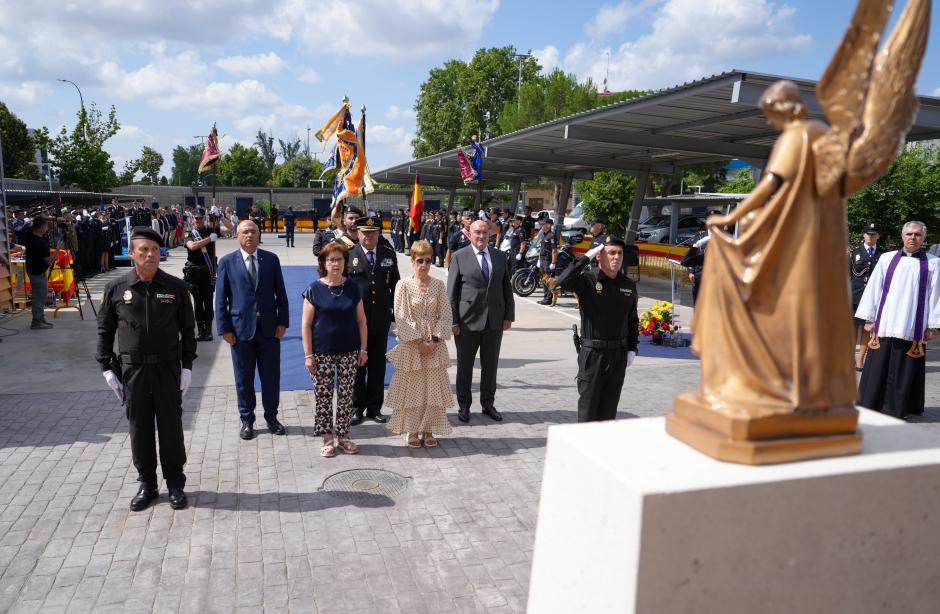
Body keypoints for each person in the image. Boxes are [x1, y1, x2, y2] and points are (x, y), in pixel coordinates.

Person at [96, 226, 196, 511]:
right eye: (144, 250)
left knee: (171, 427)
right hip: (133, 371)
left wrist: (187, 366)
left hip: (167, 368)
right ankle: (147, 485)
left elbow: (188, 330)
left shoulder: (175, 287)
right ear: (132, 253)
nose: (150, 254)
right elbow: (104, 330)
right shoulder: (116, 289)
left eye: (154, 250)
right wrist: (106, 367)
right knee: (139, 428)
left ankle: (175, 483)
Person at [856, 221, 940, 419]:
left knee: (905, 367)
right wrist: (869, 317)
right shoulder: (886, 259)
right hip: (885, 322)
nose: (913, 237)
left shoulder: (933, 263)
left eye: (917, 235)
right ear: (902, 236)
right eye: (909, 234)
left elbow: (936, 295)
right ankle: (871, 403)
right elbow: (874, 287)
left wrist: (933, 325)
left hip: (912, 325)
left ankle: (900, 407)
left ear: (923, 238)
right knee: (878, 364)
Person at [215, 220, 290, 440]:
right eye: (245, 232)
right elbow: (221, 299)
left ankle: (272, 417)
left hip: (269, 330)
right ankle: (247, 420)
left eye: (253, 232)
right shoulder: (227, 262)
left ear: (259, 235)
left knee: (271, 378)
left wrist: (282, 323)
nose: (249, 235)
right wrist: (224, 328)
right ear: (237, 235)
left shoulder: (271, 260)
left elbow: (281, 295)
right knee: (244, 379)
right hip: (240, 332)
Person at [556, 235, 639, 422]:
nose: (616, 257)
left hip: (618, 355)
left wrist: (632, 348)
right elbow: (561, 281)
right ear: (599, 256)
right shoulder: (587, 280)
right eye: (611, 253)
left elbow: (632, 321)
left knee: (609, 411)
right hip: (593, 354)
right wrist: (585, 258)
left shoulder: (628, 285)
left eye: (619, 253)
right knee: (588, 410)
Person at [301, 242, 368, 457]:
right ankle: (327, 438)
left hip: (349, 351)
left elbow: (361, 321)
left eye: (339, 259)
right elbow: (306, 325)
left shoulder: (352, 288)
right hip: (322, 353)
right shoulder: (314, 289)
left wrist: (363, 349)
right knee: (323, 395)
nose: (336, 264)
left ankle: (344, 436)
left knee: (347, 395)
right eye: (331, 260)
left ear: (345, 263)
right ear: (323, 263)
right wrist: (309, 355)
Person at [386, 241, 455, 447]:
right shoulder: (403, 285)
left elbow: (446, 315)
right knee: (413, 389)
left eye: (427, 260)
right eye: (419, 261)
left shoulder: (438, 285)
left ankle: (429, 429)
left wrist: (433, 340)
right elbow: (401, 316)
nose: (424, 265)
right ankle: (412, 430)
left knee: (432, 389)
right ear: (412, 261)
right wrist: (418, 342)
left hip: (434, 344)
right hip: (411, 345)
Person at [447, 219, 515, 423]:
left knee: (490, 366)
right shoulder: (459, 256)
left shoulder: (499, 256)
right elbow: (451, 293)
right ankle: (464, 406)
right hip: (467, 323)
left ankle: (488, 404)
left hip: (494, 322)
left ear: (490, 235)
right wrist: (453, 321)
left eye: (485, 233)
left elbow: (506, 288)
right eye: (477, 232)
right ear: (470, 233)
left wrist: (509, 315)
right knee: (465, 367)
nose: (481, 236)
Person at [346, 214, 401, 425]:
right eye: (365, 233)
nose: (369, 237)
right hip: (355, 321)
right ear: (358, 233)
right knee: (358, 366)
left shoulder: (388, 254)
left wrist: (395, 316)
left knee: (378, 366)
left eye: (373, 233)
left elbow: (395, 285)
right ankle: (356, 408)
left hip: (380, 320)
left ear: (379, 234)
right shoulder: (349, 254)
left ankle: (375, 408)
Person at [184, 209, 223, 342]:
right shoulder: (189, 233)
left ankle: (208, 330)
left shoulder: (211, 230)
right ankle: (200, 331)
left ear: (204, 219)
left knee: (208, 301)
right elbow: (193, 246)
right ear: (193, 219)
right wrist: (209, 239)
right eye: (196, 218)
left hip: (207, 272)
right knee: (198, 303)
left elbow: (229, 229)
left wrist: (220, 217)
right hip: (194, 273)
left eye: (201, 218)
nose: (198, 220)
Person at [850, 223, 882, 370]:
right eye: (868, 233)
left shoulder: (883, 255)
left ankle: (860, 360)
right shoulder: (853, 253)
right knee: (851, 328)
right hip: (854, 297)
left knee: (866, 330)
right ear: (863, 235)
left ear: (878, 236)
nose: (871, 236)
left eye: (874, 234)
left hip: (871, 298)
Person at [24, 215, 56, 329]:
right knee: (39, 296)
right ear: (41, 227)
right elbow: (48, 261)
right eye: (46, 225)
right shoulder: (38, 241)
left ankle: (40, 318)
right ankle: (37, 321)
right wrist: (57, 252)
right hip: (37, 272)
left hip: (34, 270)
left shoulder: (30, 236)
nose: (47, 228)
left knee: (41, 295)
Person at [537, 218, 558, 305]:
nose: (541, 225)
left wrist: (553, 262)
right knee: (543, 279)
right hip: (542, 259)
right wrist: (539, 259)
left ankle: (549, 298)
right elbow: (541, 248)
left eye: (543, 224)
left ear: (548, 225)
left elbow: (554, 250)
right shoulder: (543, 234)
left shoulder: (551, 235)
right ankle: (545, 297)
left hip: (548, 260)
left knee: (549, 280)